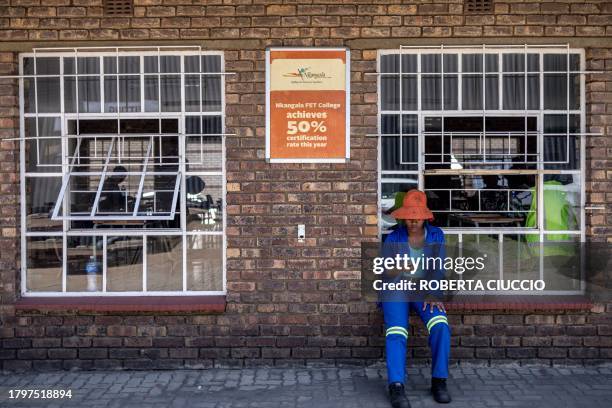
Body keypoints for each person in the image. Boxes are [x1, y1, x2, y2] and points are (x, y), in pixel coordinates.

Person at [382, 189, 452, 407]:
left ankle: (439, 381)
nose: (412, 221)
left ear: (425, 217)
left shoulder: (436, 235)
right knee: (396, 332)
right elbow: (386, 271)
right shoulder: (394, 237)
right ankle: (396, 386)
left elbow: (438, 266)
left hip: (426, 290)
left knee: (441, 325)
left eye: (417, 216)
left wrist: (434, 291)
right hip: (397, 289)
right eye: (409, 216)